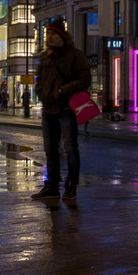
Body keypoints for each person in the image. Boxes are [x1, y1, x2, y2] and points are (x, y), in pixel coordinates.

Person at [32, 19, 91, 206]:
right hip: (48, 108)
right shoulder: (46, 57)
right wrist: (42, 95)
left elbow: (85, 80)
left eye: (53, 34)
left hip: (66, 108)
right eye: (47, 34)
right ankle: (52, 188)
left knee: (70, 149)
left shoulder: (75, 55)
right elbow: (39, 80)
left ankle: (71, 187)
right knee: (50, 151)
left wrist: (62, 91)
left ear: (62, 36)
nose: (49, 37)